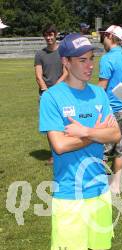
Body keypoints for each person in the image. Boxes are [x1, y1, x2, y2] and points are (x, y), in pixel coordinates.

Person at [39, 33, 122, 250]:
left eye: (92, 60)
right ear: (66, 62)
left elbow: (114, 134)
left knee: (98, 245)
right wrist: (96, 133)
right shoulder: (52, 98)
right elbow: (60, 145)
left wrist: (86, 131)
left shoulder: (99, 95)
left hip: (98, 188)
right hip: (68, 191)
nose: (90, 66)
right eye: (82, 61)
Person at [98, 25, 122, 194]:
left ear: (110, 36)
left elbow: (101, 87)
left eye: (104, 35)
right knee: (120, 149)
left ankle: (98, 185)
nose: (102, 39)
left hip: (110, 111)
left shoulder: (107, 59)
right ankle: (116, 186)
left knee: (101, 149)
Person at [34, 24, 68, 164]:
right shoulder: (40, 54)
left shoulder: (63, 52)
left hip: (62, 93)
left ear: (56, 35)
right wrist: (46, 92)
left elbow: (66, 72)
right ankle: (54, 154)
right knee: (50, 125)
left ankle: (66, 151)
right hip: (46, 94)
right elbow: (38, 76)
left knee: (65, 123)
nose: (49, 37)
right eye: (46, 35)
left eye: (51, 34)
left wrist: (54, 89)